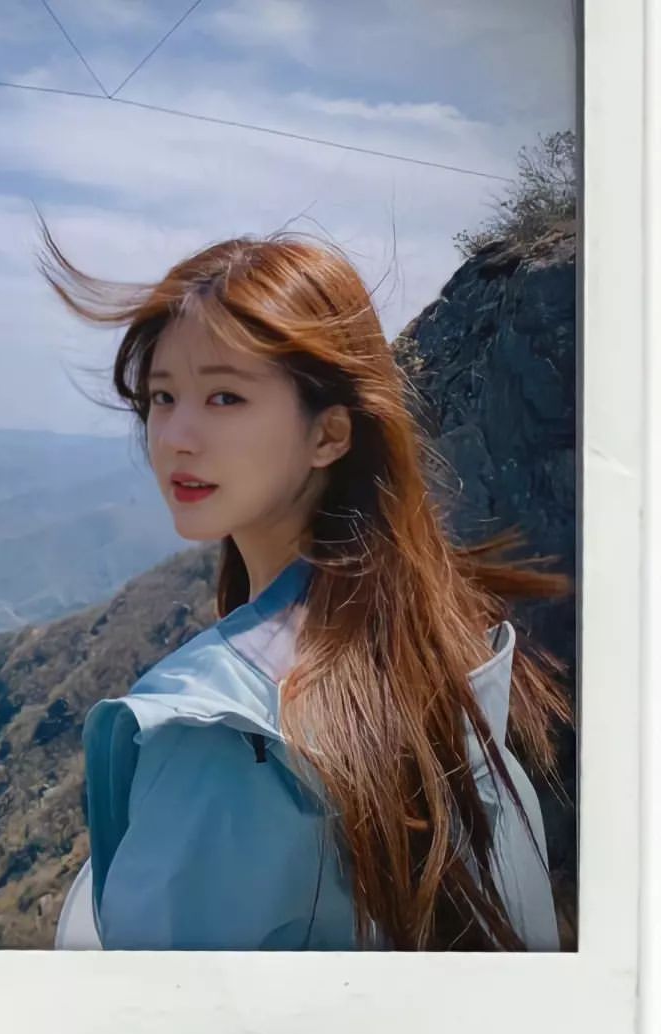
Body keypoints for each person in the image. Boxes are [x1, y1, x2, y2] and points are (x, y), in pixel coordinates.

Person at [38, 219, 572, 952]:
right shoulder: (445, 656)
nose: (175, 436)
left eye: (225, 397)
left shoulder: (219, 732)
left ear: (329, 435)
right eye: (162, 397)